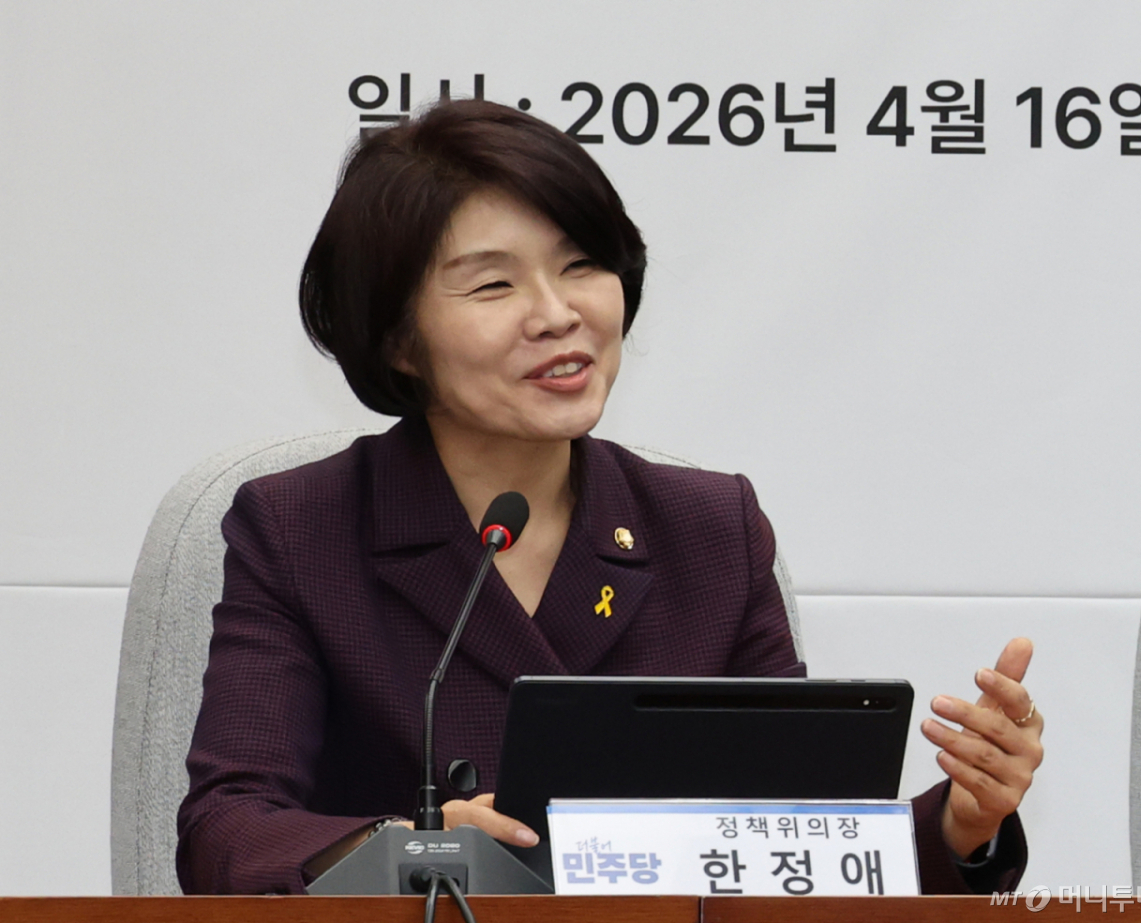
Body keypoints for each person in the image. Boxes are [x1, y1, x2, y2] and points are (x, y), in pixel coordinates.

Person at [177, 99, 1044, 895]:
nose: (558, 313)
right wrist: (412, 846)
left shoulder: (712, 529)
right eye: (494, 284)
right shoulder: (301, 528)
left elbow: (795, 834)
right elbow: (226, 831)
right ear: (399, 337)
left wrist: (961, 824)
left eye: (582, 265)